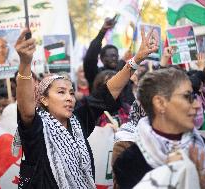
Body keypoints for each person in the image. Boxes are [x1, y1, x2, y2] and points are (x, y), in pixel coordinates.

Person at [14, 27, 158, 189]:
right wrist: (25, 63)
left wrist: (136, 59)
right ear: (44, 100)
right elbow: (26, 111)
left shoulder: (79, 120)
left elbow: (108, 92)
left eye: (71, 93)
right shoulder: (36, 128)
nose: (69, 97)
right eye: (61, 92)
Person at [113, 67, 205, 189]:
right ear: (160, 103)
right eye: (187, 97)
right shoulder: (129, 161)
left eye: (195, 97)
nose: (197, 105)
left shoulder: (204, 148)